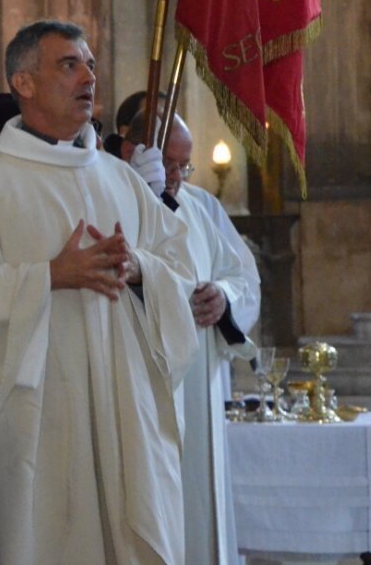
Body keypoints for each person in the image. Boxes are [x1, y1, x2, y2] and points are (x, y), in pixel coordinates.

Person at [0, 19, 199, 564]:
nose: (88, 76)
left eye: (90, 64)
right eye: (68, 64)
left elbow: (178, 263)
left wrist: (139, 267)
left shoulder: (118, 180)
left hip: (125, 413)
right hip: (43, 416)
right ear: (23, 83)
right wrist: (49, 276)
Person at [122, 111, 259, 565]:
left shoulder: (203, 206)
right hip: (142, 381)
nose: (177, 176)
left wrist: (223, 297)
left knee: (200, 509)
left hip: (200, 381)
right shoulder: (116, 198)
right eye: (170, 164)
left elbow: (243, 276)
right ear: (133, 152)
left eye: (185, 164)